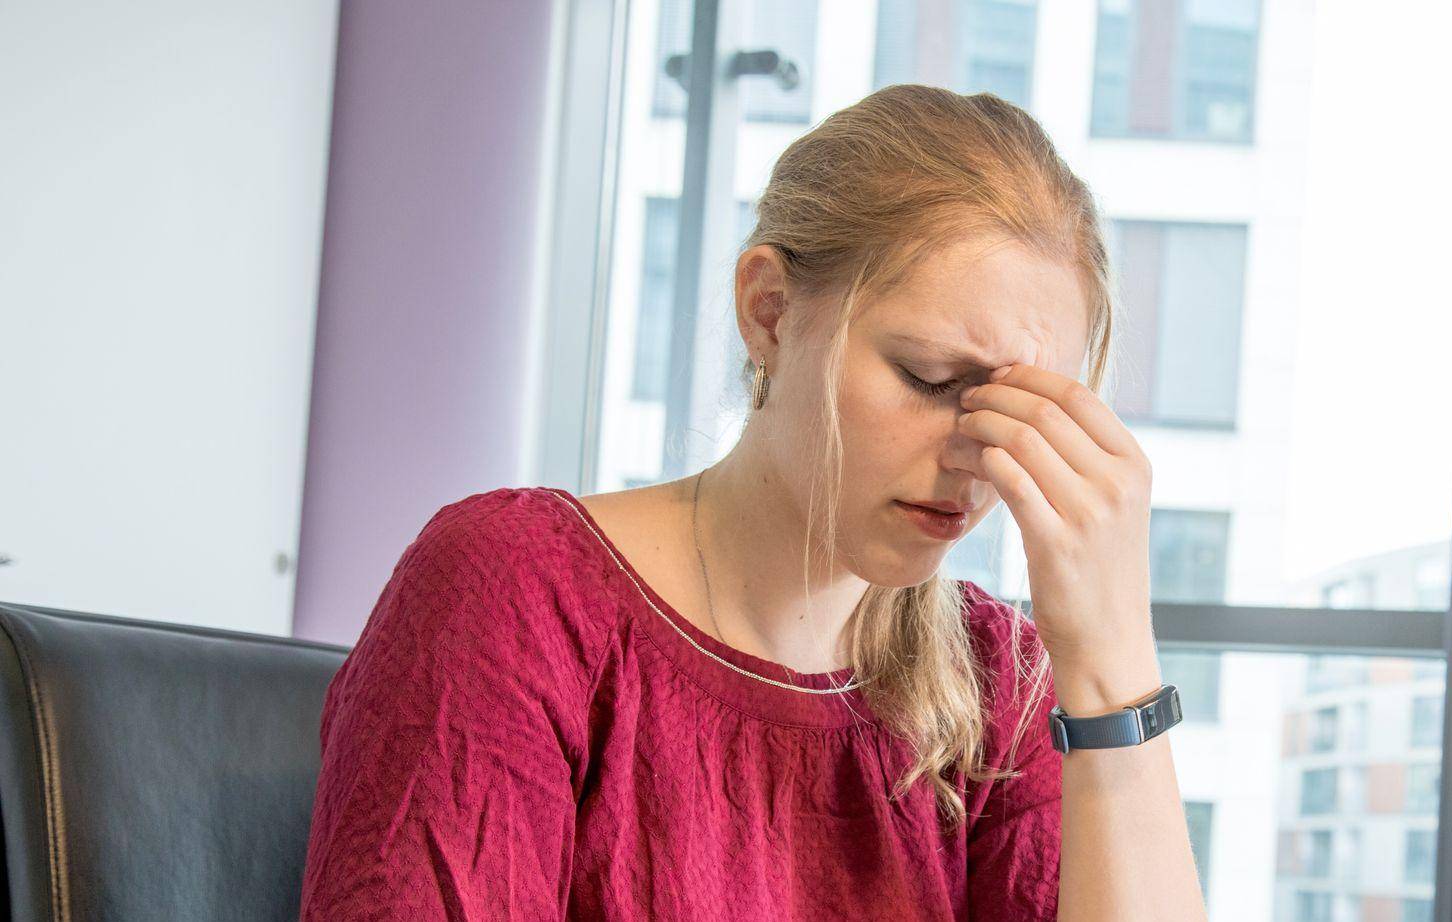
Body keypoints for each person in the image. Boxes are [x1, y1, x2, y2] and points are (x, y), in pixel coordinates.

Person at [297, 84, 1207, 921]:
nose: (982, 460)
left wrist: (1112, 656)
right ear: (770, 311)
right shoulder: (516, 592)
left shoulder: (1000, 683)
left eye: (1028, 416)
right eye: (931, 380)